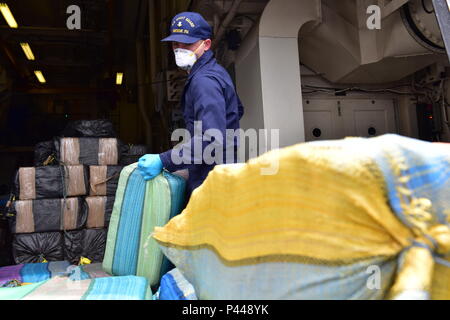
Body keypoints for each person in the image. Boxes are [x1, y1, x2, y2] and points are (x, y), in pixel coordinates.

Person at [138, 12, 244, 200]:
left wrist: (164, 160)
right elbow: (236, 110)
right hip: (219, 171)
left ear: (206, 44)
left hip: (212, 180)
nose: (180, 50)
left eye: (187, 44)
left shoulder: (204, 81)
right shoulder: (215, 72)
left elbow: (212, 138)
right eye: (175, 44)